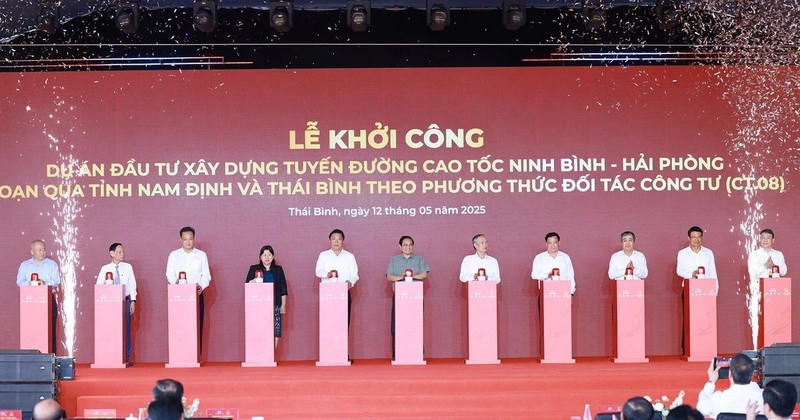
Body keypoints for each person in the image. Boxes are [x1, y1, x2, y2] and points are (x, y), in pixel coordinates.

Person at [166, 227, 211, 352]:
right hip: (179, 295)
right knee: (180, 324)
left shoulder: (201, 255)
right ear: (180, 239)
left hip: (196, 293)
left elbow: (206, 275)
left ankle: (196, 353)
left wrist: (201, 286)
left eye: (190, 239)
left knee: (197, 323)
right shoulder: (174, 255)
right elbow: (170, 274)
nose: (188, 242)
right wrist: (177, 285)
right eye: (185, 239)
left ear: (194, 239)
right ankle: (179, 351)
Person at [386, 235, 430, 354]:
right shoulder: (394, 260)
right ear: (400, 247)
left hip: (416, 296)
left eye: (410, 245)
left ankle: (417, 352)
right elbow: (389, 276)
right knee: (398, 325)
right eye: (405, 245)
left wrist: (411, 276)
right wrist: (402, 277)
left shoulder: (420, 259)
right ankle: (398, 352)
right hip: (400, 296)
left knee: (415, 324)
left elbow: (424, 274)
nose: (408, 247)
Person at [95, 243, 137, 365]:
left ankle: (126, 356)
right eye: (119, 252)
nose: (122, 254)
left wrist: (133, 301)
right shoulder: (105, 269)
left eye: (123, 252)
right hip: (109, 303)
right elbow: (99, 286)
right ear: (111, 253)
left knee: (126, 328)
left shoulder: (128, 267)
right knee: (110, 328)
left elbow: (132, 285)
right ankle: (110, 354)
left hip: (125, 300)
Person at [17, 239, 60, 353]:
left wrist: (44, 283)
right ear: (32, 252)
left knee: (50, 329)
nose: (42, 252)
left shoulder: (52, 264)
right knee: (31, 328)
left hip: (48, 300)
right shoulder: (25, 265)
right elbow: (19, 282)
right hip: (30, 302)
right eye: (39, 250)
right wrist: (30, 283)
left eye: (44, 249)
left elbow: (56, 281)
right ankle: (30, 356)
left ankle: (51, 357)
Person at [245, 245, 288, 350]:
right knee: (260, 328)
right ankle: (260, 352)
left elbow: (283, 287)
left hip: (275, 304)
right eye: (264, 255)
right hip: (258, 306)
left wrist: (283, 305)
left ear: (273, 257)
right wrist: (253, 280)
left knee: (276, 329)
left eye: (269, 254)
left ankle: (272, 352)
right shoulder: (254, 269)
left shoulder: (278, 270)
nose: (267, 257)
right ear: (260, 257)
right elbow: (247, 285)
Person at [696, 353, 764, 418]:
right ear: (752, 374)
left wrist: (711, 381)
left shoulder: (718, 399)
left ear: (730, 374)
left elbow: (701, 409)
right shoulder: (765, 398)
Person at [315, 229, 359, 325]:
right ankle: (327, 340)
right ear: (329, 241)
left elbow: (355, 275)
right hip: (327, 294)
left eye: (339, 239)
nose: (336, 241)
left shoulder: (350, 256)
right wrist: (327, 274)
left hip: (343, 293)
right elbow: (318, 271)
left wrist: (350, 282)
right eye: (333, 239)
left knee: (343, 322)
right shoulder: (323, 255)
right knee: (327, 322)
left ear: (343, 241)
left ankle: (343, 340)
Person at [676, 226, 718, 290]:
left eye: (699, 237)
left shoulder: (708, 252)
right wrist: (691, 274)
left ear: (701, 238)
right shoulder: (682, 253)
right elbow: (679, 271)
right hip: (689, 286)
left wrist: (715, 289)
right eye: (694, 237)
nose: (696, 240)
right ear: (689, 238)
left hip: (706, 288)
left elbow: (713, 272)